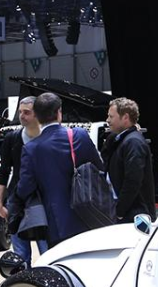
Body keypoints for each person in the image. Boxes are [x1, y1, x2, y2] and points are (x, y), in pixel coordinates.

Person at [14, 92, 104, 247]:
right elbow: (99, 168)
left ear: (37, 116)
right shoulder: (80, 135)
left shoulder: (31, 149)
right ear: (59, 112)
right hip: (90, 215)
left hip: (57, 224)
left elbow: (25, 188)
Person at [0, 96, 46, 264]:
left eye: (27, 112)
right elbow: (4, 171)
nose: (22, 116)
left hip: (43, 200)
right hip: (17, 200)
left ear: (38, 114)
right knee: (21, 255)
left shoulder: (48, 137)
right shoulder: (11, 138)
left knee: (47, 251)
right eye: (20, 112)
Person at [104, 97, 155, 223]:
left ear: (125, 118)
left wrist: (120, 212)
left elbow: (132, 181)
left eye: (111, 117)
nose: (108, 120)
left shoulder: (134, 143)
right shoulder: (120, 139)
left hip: (135, 216)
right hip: (128, 213)